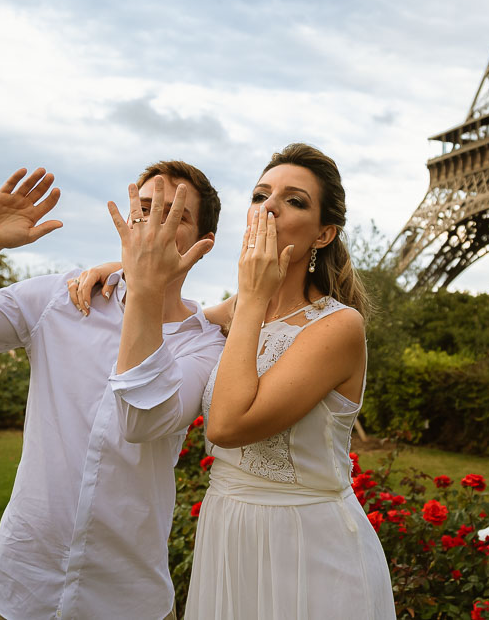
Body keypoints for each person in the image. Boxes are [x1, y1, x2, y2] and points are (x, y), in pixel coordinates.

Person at [72, 143, 394, 619]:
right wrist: (126, 271)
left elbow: (224, 424)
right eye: (260, 194)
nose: (270, 207)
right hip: (229, 532)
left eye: (295, 200)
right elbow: (179, 312)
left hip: (307, 543)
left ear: (324, 233)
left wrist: (252, 295)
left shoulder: (338, 327)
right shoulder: (233, 311)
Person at [0, 162, 226, 619]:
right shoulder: (60, 298)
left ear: (203, 244)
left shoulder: (204, 344)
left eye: (175, 214)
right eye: (144, 208)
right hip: (19, 587)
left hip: (128, 600)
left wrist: (144, 287)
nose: (153, 222)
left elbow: (143, 418)